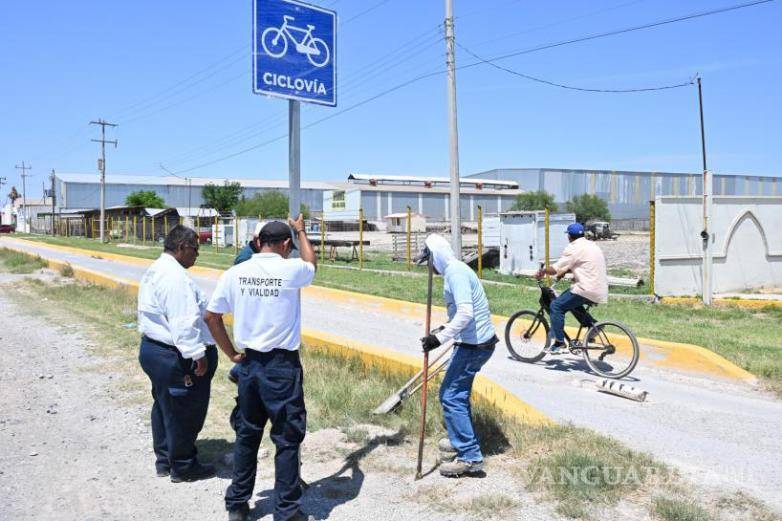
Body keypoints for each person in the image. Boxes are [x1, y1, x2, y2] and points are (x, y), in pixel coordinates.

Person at [204, 215, 317, 521]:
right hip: (281, 368)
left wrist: (231, 354)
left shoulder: (235, 272)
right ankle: (287, 510)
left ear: (258, 243)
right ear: (285, 245)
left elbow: (212, 317)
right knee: (287, 438)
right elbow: (312, 263)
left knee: (247, 434)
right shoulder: (292, 269)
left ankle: (238, 504)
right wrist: (302, 232)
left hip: (250, 364)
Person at [137, 225, 218, 482]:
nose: (197, 254)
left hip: (156, 350)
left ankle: (165, 459)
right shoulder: (174, 277)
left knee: (165, 406)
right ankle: (183, 466)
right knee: (185, 409)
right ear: (182, 247)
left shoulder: (159, 269)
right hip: (174, 355)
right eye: (195, 248)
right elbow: (183, 321)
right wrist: (198, 354)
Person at [417, 234, 498, 478]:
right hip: (473, 342)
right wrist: (443, 330)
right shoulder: (456, 270)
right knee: (456, 394)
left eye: (428, 261)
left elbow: (466, 313)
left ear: (436, 256)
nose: (429, 268)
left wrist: (439, 339)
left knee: (451, 396)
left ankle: (470, 457)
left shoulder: (455, 273)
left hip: (474, 346)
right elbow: (458, 316)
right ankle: (461, 439)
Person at [535, 222, 608, 353]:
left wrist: (542, 272)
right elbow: (582, 263)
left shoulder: (573, 248)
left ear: (569, 236)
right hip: (600, 289)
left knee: (556, 306)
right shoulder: (592, 245)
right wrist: (566, 271)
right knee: (568, 300)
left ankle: (559, 343)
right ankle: (593, 325)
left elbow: (555, 269)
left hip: (586, 288)